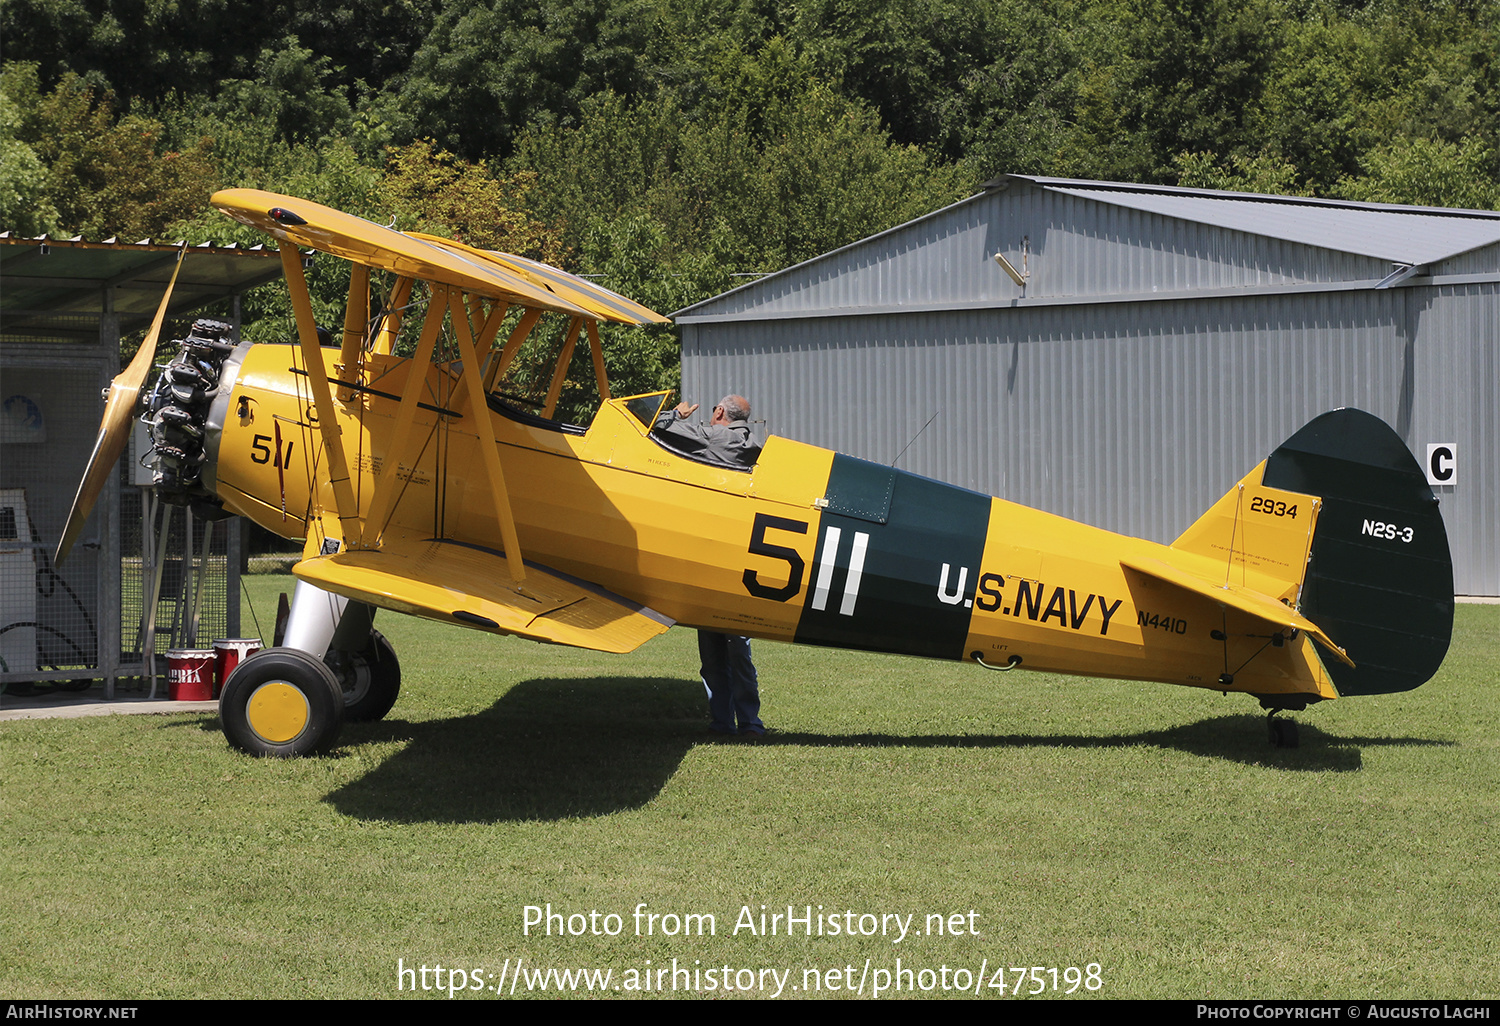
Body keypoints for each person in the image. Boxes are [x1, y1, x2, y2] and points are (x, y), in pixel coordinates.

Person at [653, 394, 766, 738]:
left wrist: (677, 413)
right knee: (738, 653)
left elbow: (659, 429)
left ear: (719, 412)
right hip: (737, 565)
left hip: (711, 565)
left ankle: (726, 722)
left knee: (715, 656)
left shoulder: (717, 437)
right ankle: (748, 722)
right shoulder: (750, 442)